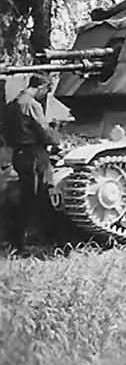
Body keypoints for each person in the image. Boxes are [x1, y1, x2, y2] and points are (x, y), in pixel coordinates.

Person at [4, 74, 59, 251]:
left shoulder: (12, 105)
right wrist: (57, 142)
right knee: (41, 195)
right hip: (34, 154)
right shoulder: (31, 105)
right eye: (47, 90)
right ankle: (41, 240)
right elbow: (43, 130)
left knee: (23, 196)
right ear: (42, 87)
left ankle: (16, 239)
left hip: (18, 153)